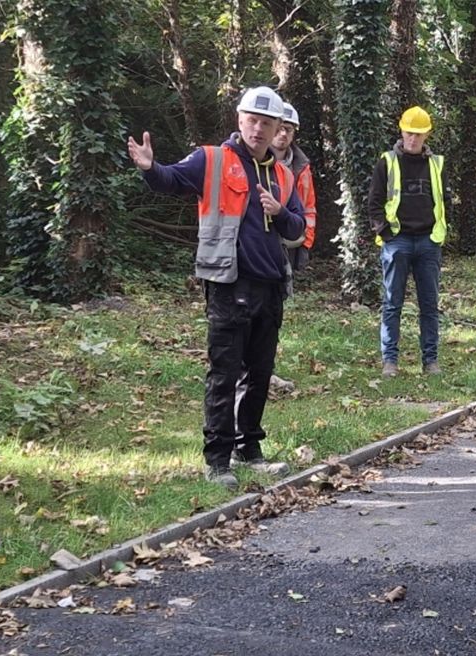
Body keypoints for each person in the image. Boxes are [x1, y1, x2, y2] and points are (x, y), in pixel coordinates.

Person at [127, 86, 304, 487]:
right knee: (224, 372)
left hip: (271, 285)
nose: (258, 129)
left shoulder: (283, 174)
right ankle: (218, 461)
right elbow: (170, 180)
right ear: (240, 121)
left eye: (267, 123)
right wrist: (150, 168)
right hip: (228, 283)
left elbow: (298, 228)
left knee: (259, 373)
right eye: (252, 121)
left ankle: (249, 450)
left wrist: (280, 213)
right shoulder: (213, 159)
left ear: (279, 127)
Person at [367, 106, 449, 377]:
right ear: (401, 131)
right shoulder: (387, 162)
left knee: (429, 304)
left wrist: (439, 233)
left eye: (419, 134)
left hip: (428, 241)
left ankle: (431, 361)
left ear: (427, 135)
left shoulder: (436, 164)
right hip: (397, 242)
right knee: (392, 303)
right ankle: (390, 361)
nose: (413, 138)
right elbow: (374, 202)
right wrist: (386, 233)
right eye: (409, 133)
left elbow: (445, 201)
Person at [272, 102, 317, 273]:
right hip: (261, 239)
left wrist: (306, 243)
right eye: (280, 127)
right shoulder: (254, 161)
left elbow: (309, 207)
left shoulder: (302, 167)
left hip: (291, 240)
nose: (283, 133)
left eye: (288, 129)